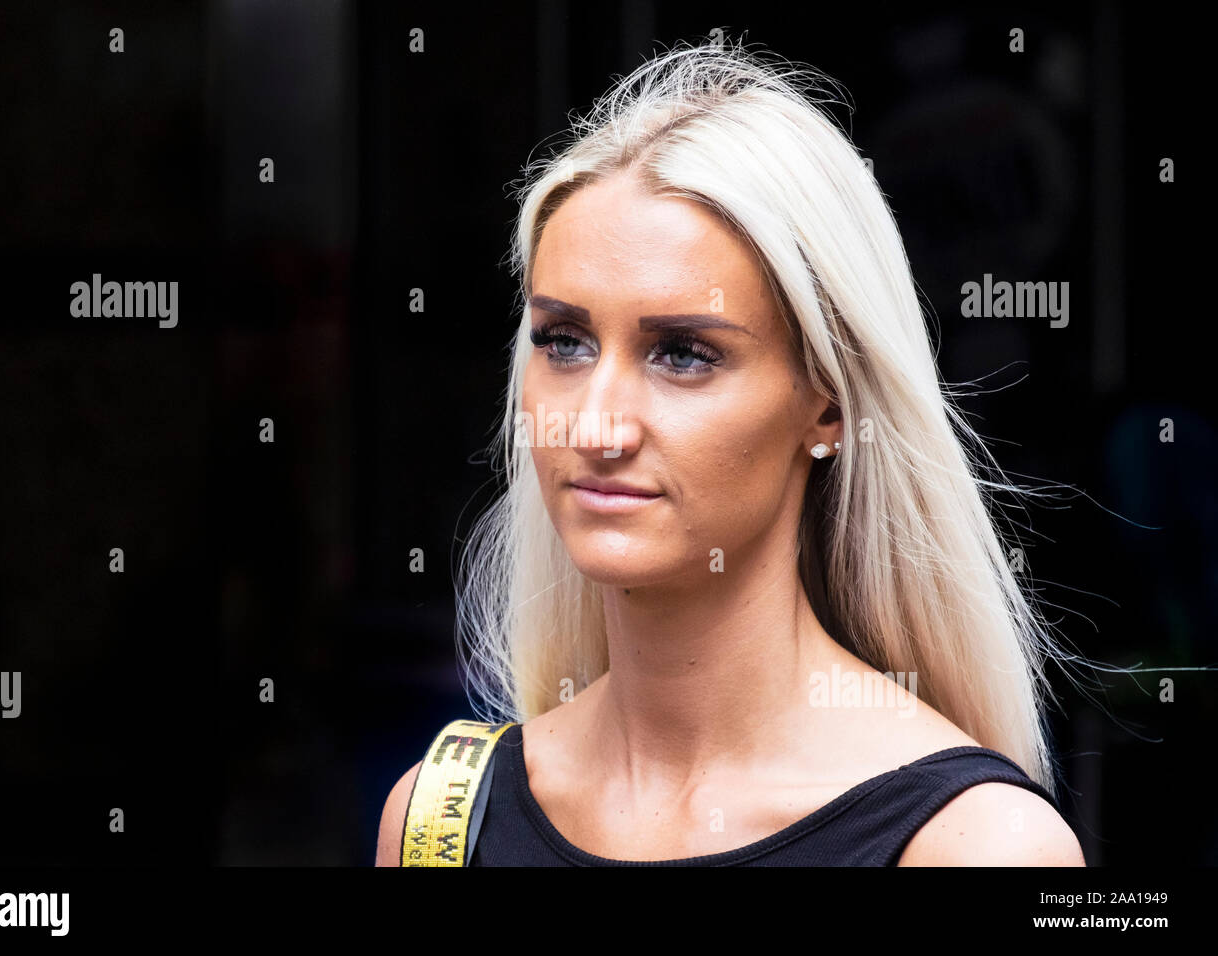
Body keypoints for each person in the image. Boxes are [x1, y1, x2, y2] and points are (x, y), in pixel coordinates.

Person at [377, 38, 1085, 866]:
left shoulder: (973, 844)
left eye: (683, 353)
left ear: (826, 406)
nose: (596, 426)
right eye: (564, 342)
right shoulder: (438, 823)